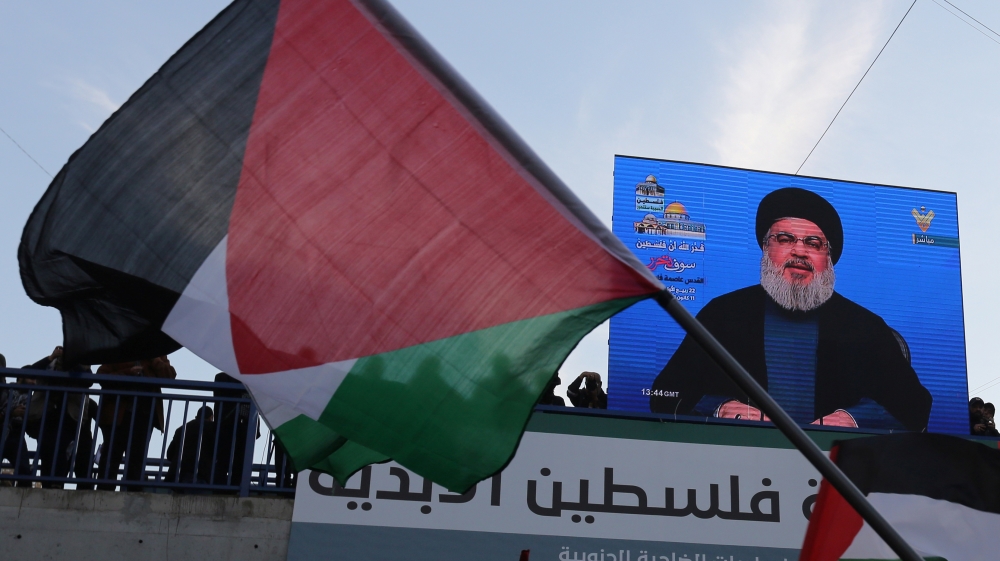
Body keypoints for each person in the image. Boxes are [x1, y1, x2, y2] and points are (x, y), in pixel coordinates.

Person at [650, 188, 932, 431]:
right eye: (785, 239)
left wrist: (854, 418)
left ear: (828, 257)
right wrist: (719, 407)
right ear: (765, 248)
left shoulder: (864, 326)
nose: (799, 251)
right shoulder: (724, 314)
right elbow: (664, 394)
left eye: (813, 243)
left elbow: (915, 406)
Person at [96, 355, 176, 491]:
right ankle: (104, 493)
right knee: (112, 454)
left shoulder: (156, 352)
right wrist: (128, 373)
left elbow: (170, 376)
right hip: (118, 413)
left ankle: (133, 495)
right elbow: (101, 375)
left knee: (137, 458)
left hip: (144, 414)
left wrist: (154, 358)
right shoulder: (120, 349)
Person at [25, 346, 95, 488]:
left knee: (63, 450)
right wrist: (50, 358)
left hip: (69, 416)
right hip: (48, 414)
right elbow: (28, 373)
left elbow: (88, 381)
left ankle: (57, 483)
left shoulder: (78, 367)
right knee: (46, 448)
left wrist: (73, 362)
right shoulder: (49, 365)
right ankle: (46, 483)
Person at [212, 373, 258, 489]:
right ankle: (220, 487)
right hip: (227, 423)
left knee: (241, 459)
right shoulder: (222, 377)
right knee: (223, 457)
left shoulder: (250, 379)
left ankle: (235, 487)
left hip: (245, 424)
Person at [0, 354, 34, 487]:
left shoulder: (31, 398)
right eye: (31, 378)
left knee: (24, 471)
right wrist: (11, 413)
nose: (33, 383)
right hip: (3, 429)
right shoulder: (6, 390)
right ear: (20, 377)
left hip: (17, 433)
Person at [166, 406, 215, 486]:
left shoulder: (181, 429)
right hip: (199, 473)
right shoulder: (212, 428)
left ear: (197, 416)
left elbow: (169, 454)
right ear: (211, 417)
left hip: (177, 475)